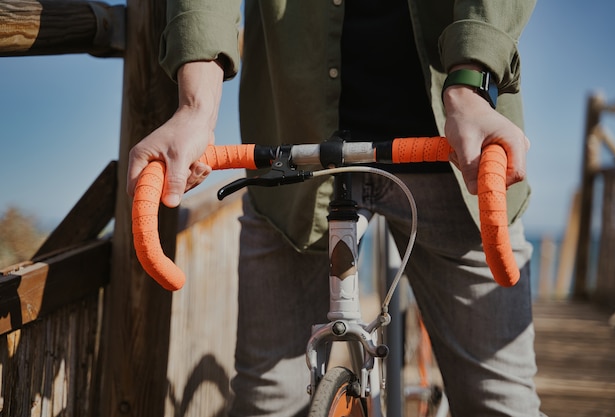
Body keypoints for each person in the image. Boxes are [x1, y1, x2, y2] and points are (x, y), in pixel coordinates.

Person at [127, 1, 544, 416]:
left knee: (500, 402)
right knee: (266, 402)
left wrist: (471, 86)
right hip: (295, 150)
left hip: (454, 153)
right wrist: (195, 109)